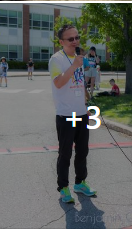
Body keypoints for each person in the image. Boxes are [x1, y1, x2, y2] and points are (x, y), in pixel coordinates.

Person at [49, 24, 96, 203]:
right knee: (65, 153)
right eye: (71, 39)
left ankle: (80, 182)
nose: (75, 41)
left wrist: (86, 100)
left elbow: (79, 82)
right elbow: (59, 83)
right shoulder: (56, 59)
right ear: (61, 42)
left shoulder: (78, 57)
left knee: (83, 151)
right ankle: (63, 187)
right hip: (66, 115)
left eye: (77, 38)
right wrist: (75, 65)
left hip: (81, 114)